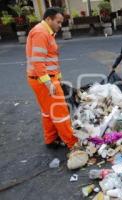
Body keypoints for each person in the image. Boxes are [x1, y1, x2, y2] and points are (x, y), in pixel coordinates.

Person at [26, 7, 77, 149]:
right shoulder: (41, 33)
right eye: (58, 22)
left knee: (48, 112)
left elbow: (50, 60)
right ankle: (72, 143)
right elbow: (38, 61)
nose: (60, 25)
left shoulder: (46, 32)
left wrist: (58, 79)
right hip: (43, 80)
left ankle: (51, 139)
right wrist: (49, 83)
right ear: (48, 19)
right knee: (60, 112)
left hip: (41, 79)